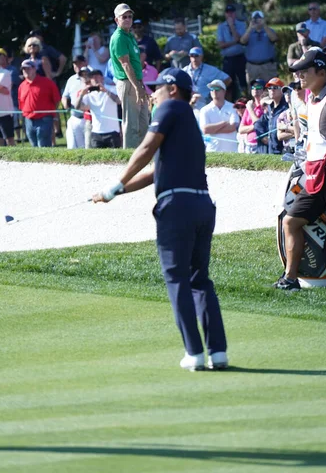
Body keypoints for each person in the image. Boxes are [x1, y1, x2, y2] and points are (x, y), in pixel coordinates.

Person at [92, 68, 228, 370]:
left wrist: (116, 181)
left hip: (177, 207)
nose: (152, 94)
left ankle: (194, 353)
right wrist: (115, 192)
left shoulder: (170, 107)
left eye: (158, 88)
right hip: (202, 205)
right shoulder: (187, 120)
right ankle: (217, 353)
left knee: (177, 278)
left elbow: (145, 148)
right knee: (199, 280)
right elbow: (155, 171)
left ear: (173, 89)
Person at [274, 48, 326, 296]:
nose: (300, 77)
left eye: (305, 72)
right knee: (290, 221)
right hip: (314, 176)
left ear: (321, 72)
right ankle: (290, 278)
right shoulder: (312, 98)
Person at [109, 3, 149, 149]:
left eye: (129, 16)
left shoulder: (129, 36)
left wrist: (140, 85)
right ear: (116, 20)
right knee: (131, 123)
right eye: (123, 16)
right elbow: (126, 65)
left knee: (144, 121)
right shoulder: (119, 37)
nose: (127, 19)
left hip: (136, 82)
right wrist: (137, 87)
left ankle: (144, 154)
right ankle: (131, 156)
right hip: (128, 83)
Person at [18, 59, 61, 147]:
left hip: (44, 119)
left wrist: (51, 113)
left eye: (28, 68)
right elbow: (21, 103)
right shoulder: (21, 86)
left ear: (34, 69)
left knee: (43, 145)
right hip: (28, 120)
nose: (25, 71)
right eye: (23, 69)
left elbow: (56, 100)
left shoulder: (47, 82)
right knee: (33, 146)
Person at [74, 70, 121, 148]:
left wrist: (106, 91)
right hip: (96, 132)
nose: (95, 79)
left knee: (114, 158)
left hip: (112, 131)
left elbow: (118, 101)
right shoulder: (89, 94)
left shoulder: (112, 89)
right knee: (97, 158)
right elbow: (78, 107)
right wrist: (81, 95)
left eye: (97, 76)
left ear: (102, 78)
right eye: (92, 77)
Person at [216, 4, 247, 99]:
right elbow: (221, 45)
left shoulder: (242, 24)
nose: (230, 15)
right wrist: (235, 42)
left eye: (232, 13)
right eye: (228, 13)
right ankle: (229, 103)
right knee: (228, 83)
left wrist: (232, 26)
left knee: (243, 83)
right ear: (225, 14)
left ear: (235, 13)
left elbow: (241, 40)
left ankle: (245, 103)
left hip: (240, 57)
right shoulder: (221, 27)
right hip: (228, 59)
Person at [199, 79, 239, 152]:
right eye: (212, 89)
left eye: (217, 89)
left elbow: (232, 127)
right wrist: (223, 123)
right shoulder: (204, 110)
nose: (214, 91)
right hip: (212, 150)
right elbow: (205, 129)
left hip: (231, 151)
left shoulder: (233, 107)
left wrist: (212, 129)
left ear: (224, 91)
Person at [239, 11, 278, 86]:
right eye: (255, 19)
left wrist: (264, 25)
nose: (257, 20)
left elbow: (274, 39)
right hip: (252, 67)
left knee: (270, 88)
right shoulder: (248, 32)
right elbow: (242, 41)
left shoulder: (269, 30)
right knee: (253, 90)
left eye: (259, 18)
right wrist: (250, 27)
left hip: (267, 66)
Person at [62, 56, 91, 149]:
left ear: (85, 63)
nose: (77, 65)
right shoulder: (71, 79)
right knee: (72, 147)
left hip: (89, 119)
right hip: (74, 117)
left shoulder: (93, 76)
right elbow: (65, 96)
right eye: (75, 64)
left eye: (79, 63)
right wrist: (65, 103)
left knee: (87, 147)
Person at [253, 77, 288, 154]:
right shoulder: (270, 107)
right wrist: (262, 136)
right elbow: (258, 123)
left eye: (275, 87)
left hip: (283, 149)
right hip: (271, 149)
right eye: (269, 88)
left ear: (282, 90)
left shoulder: (286, 107)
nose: (272, 90)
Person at [238, 78, 265, 153]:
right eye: (253, 87)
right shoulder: (249, 106)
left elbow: (261, 126)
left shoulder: (265, 106)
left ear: (264, 90)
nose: (255, 89)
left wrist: (251, 110)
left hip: (261, 144)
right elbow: (241, 130)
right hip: (248, 145)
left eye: (258, 87)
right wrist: (254, 127)